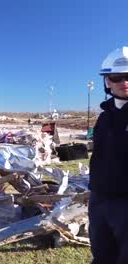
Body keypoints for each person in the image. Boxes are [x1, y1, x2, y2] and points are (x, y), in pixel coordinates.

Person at [89, 46, 128, 263]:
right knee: (102, 254)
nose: (125, 82)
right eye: (117, 77)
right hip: (100, 199)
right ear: (108, 81)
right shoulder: (103, 118)